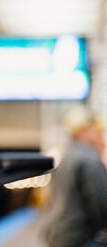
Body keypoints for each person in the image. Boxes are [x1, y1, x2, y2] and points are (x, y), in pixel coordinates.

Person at [42, 106, 107, 247]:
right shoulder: (89, 159)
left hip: (57, 236)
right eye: (96, 130)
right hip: (80, 238)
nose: (100, 135)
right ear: (82, 131)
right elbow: (101, 205)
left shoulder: (65, 158)